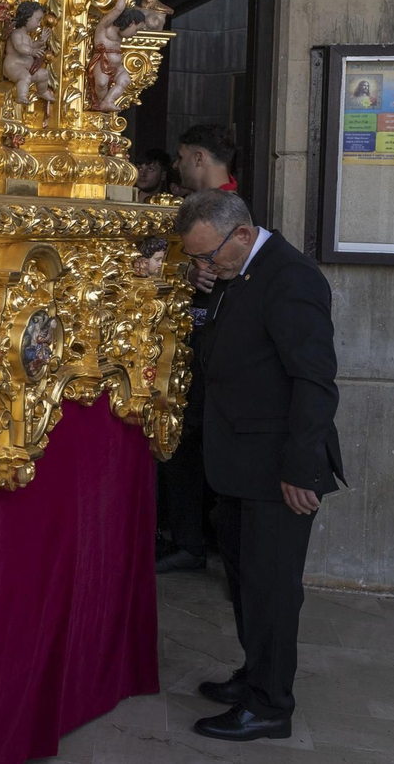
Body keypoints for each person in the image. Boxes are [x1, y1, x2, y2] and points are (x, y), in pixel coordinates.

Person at [174, 190, 343, 743]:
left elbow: (314, 380)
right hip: (239, 459)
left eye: (208, 256)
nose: (204, 265)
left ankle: (270, 705)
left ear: (242, 234)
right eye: (195, 258)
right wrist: (201, 290)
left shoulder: (290, 278)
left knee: (271, 588)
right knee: (246, 581)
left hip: (278, 469)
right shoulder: (237, 271)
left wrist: (301, 468)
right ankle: (256, 675)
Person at [156, 123, 241, 574]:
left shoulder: (235, 213)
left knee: (197, 438)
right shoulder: (181, 204)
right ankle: (185, 537)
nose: (177, 164)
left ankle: (203, 542)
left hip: (216, 345)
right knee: (179, 440)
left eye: (183, 155)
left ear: (200, 159)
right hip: (181, 340)